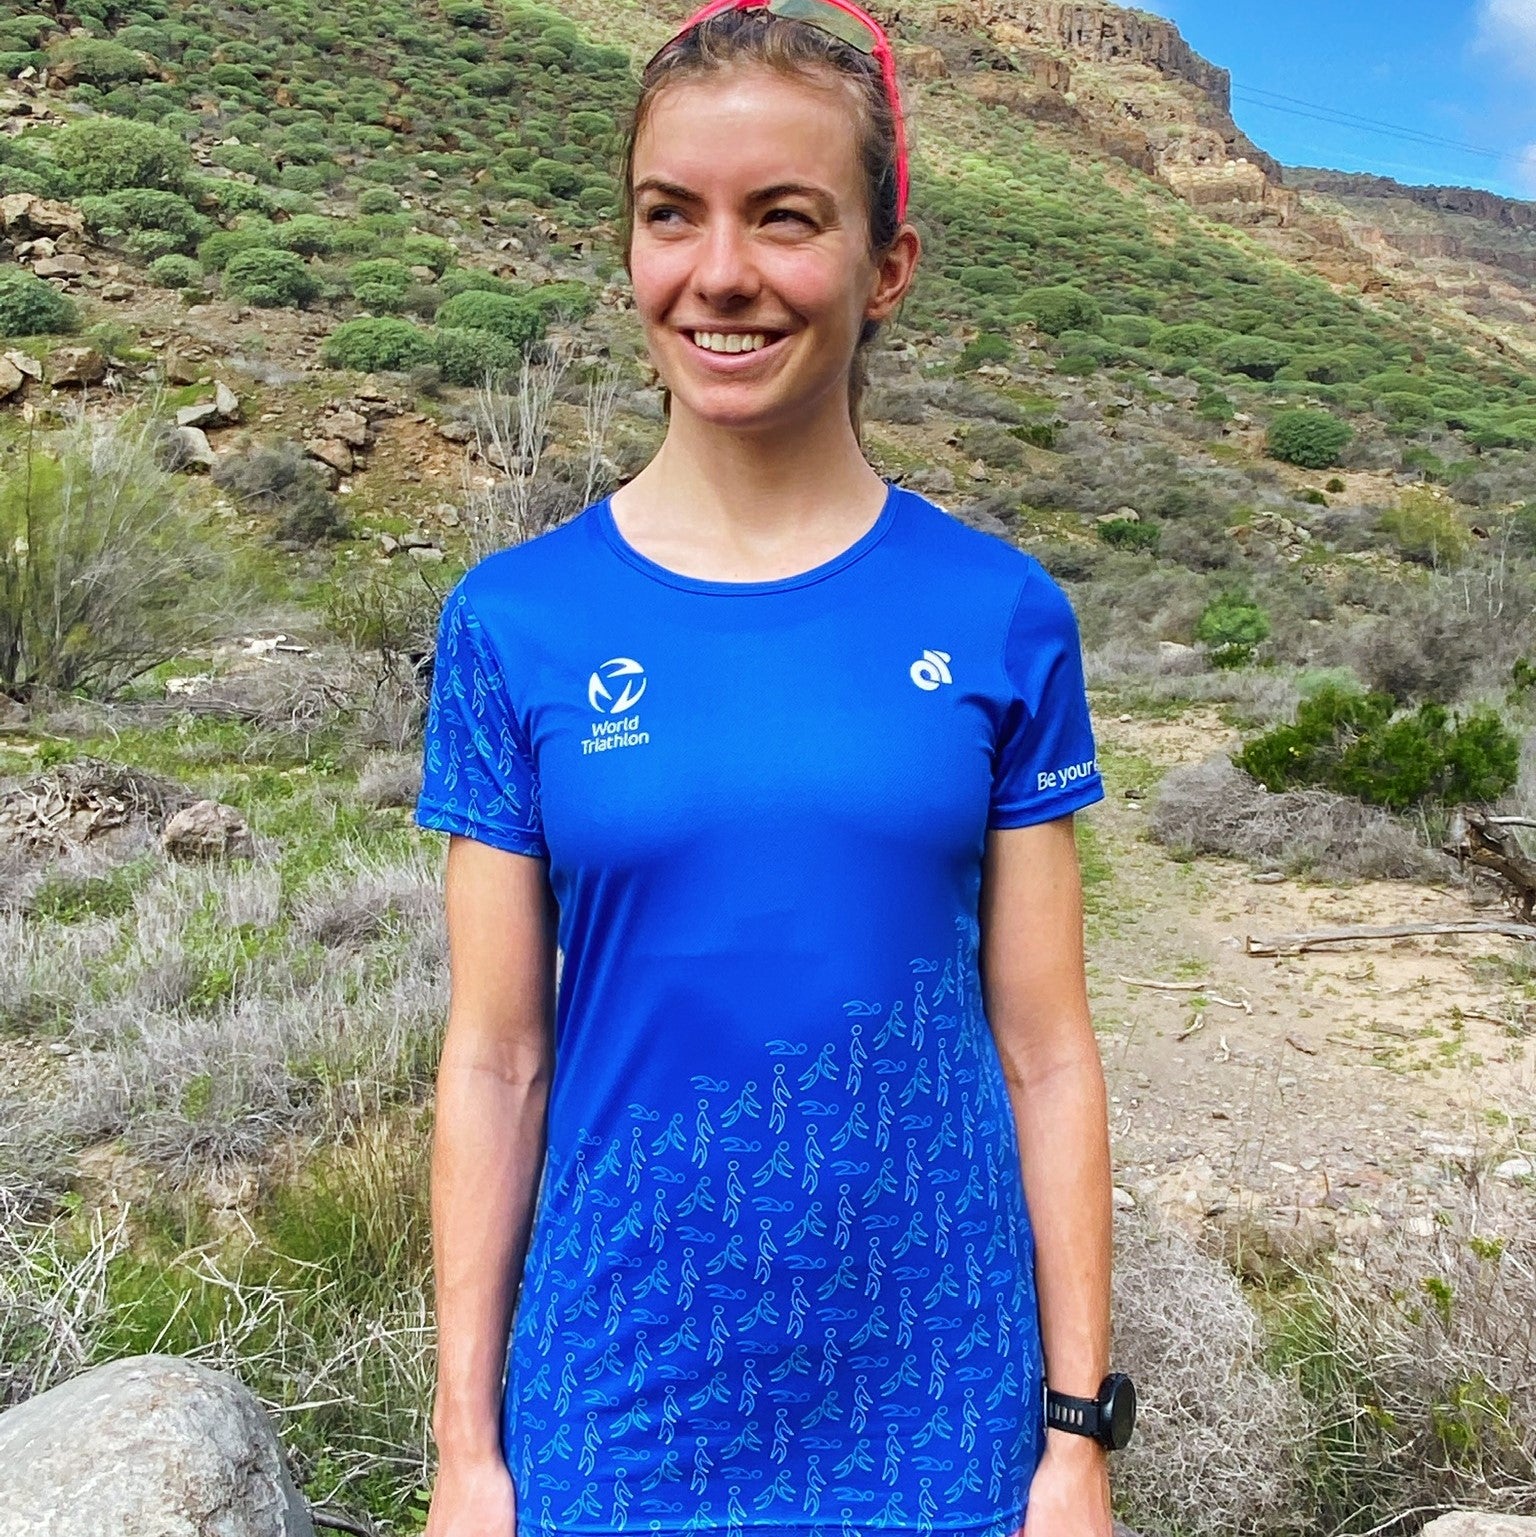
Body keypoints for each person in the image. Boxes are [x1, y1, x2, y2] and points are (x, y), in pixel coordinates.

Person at [415, 2, 1121, 1534]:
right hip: (613, 1416)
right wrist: (467, 1450)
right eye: (671, 214)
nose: (720, 272)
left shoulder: (999, 613)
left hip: (941, 1421)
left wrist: (1076, 1441)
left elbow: (1048, 1053)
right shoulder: (516, 622)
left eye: (785, 217)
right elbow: (496, 1058)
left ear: (888, 266)